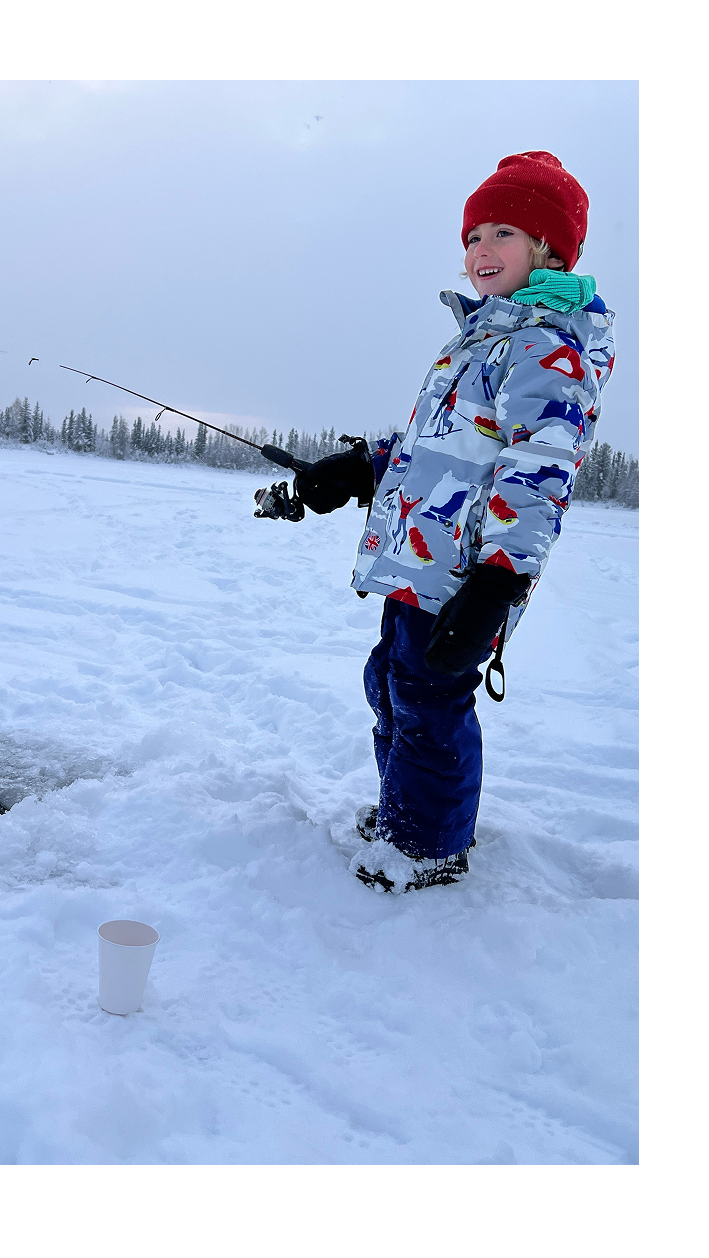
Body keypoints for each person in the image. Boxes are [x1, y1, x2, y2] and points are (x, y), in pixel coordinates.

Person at [277, 151, 615, 892]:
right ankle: (409, 815)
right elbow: (439, 447)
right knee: (393, 684)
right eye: (471, 237)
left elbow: (538, 473)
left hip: (468, 571)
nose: (479, 250)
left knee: (429, 699)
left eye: (503, 232)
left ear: (548, 250)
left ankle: (428, 846)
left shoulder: (546, 348)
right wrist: (359, 468)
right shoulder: (480, 338)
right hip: (418, 558)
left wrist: (498, 583)